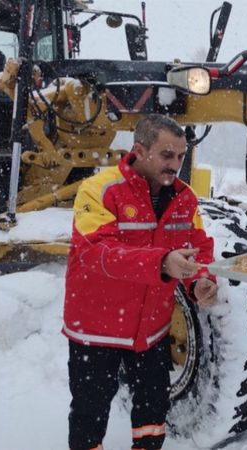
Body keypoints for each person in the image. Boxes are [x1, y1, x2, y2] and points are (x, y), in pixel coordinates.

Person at [62, 114, 218, 450]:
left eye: (180, 156)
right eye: (166, 155)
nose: (175, 164)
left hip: (151, 330)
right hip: (96, 329)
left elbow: (200, 248)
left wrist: (200, 281)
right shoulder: (99, 190)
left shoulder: (185, 197)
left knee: (152, 414)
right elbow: (97, 252)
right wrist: (162, 262)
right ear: (139, 150)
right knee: (90, 413)